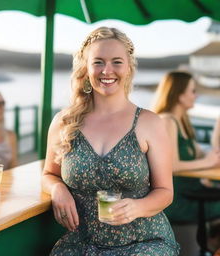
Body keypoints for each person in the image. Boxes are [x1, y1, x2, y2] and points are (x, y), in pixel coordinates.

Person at [42, 27, 179, 255]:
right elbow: (49, 174)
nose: (107, 70)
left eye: (117, 62)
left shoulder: (150, 123)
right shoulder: (63, 122)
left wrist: (137, 207)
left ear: (128, 68)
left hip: (145, 243)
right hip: (82, 244)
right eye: (98, 62)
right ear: (86, 68)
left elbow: (165, 191)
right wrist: (57, 189)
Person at [152, 71, 220, 223]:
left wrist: (217, 130)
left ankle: (212, 242)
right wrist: (207, 163)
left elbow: (203, 154)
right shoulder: (167, 121)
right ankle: (212, 242)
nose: (196, 96)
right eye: (193, 91)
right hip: (177, 202)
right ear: (180, 95)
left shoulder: (182, 122)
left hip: (193, 193)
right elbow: (171, 166)